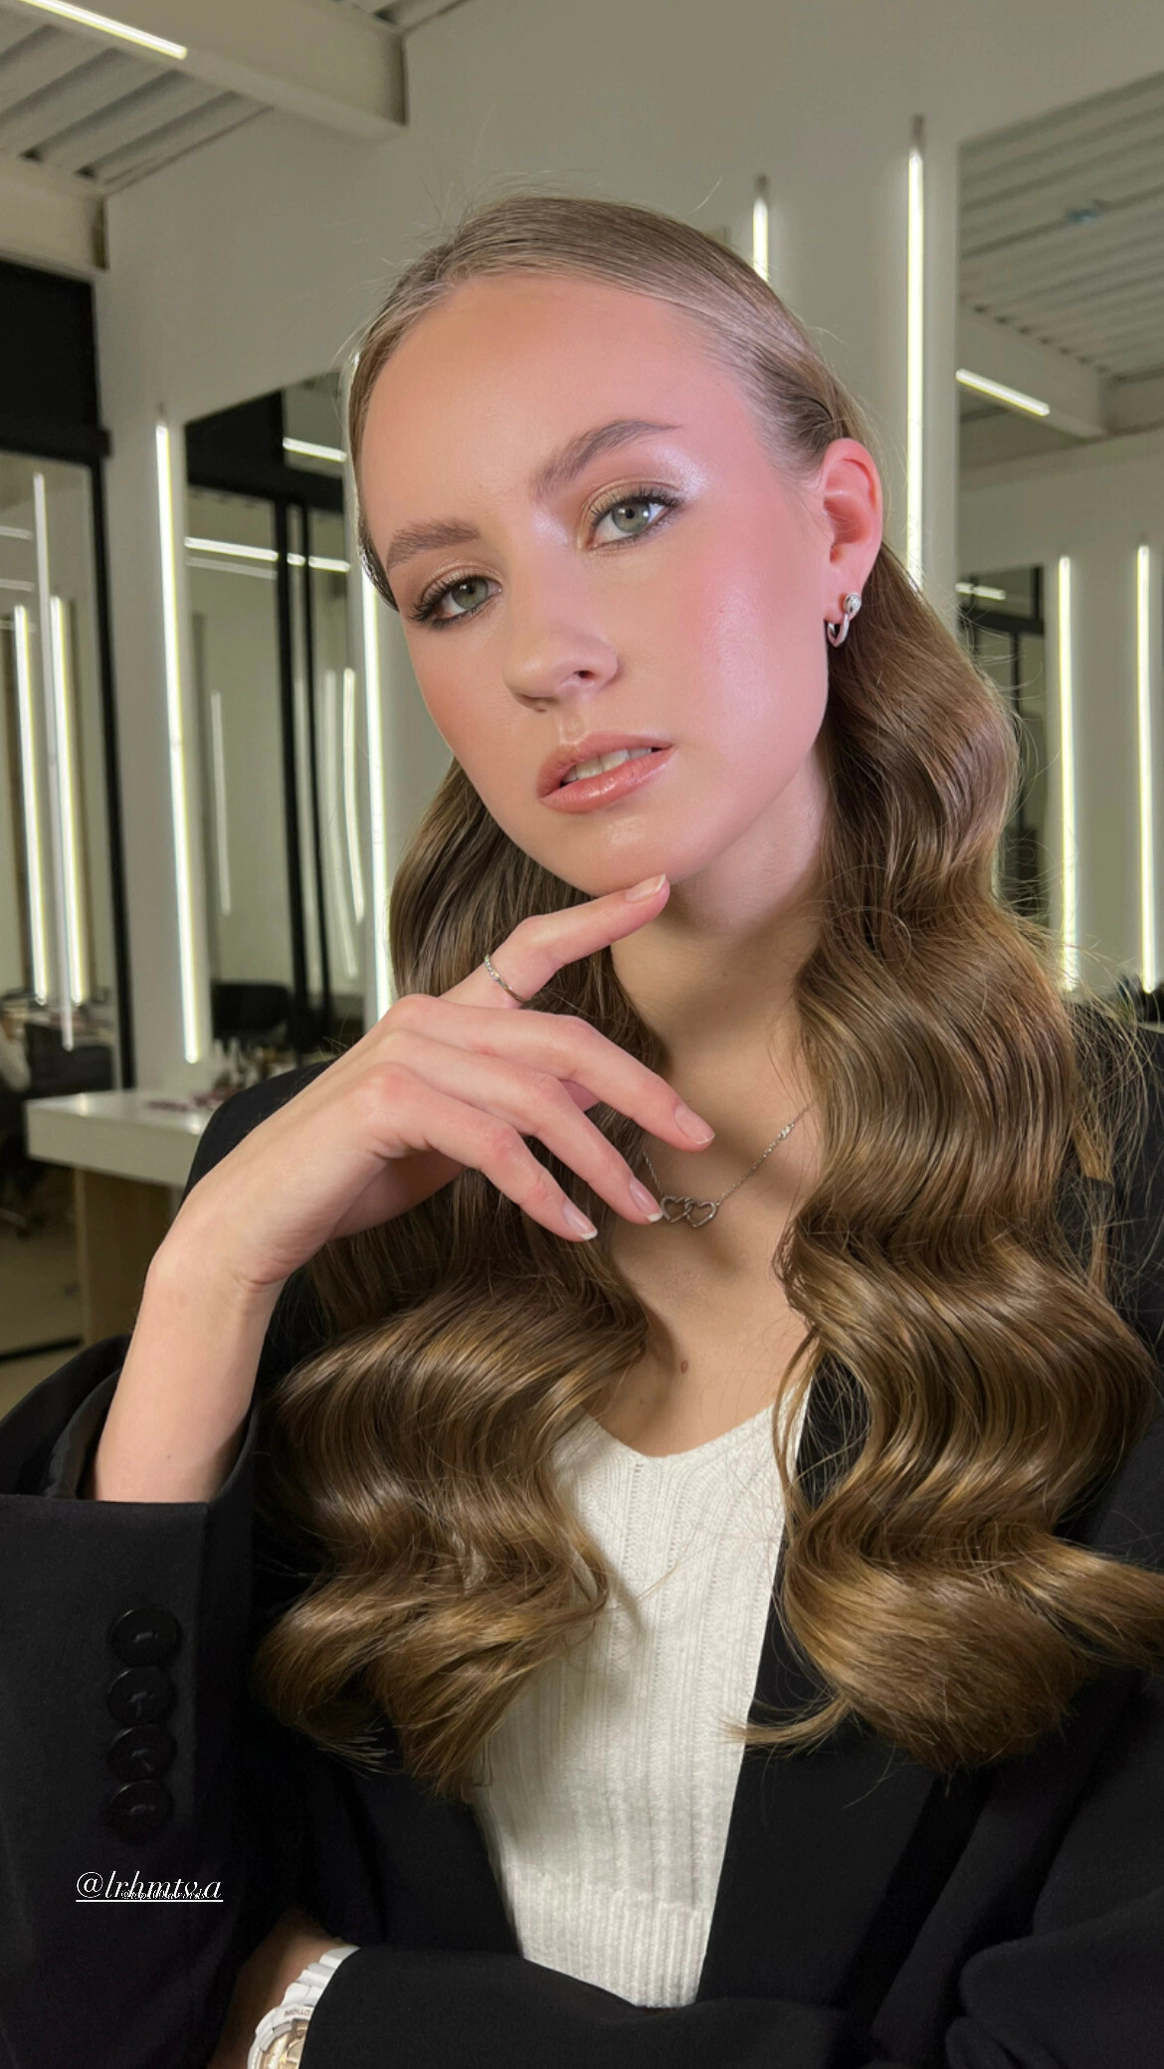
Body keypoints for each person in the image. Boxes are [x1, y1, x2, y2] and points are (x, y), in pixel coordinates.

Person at [2, 191, 1164, 2069]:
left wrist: (321, 2017)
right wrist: (206, 1285)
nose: (546, 651)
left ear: (836, 529)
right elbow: (88, 1987)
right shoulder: (331, 1208)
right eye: (453, 591)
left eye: (627, 511)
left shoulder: (1136, 1201)